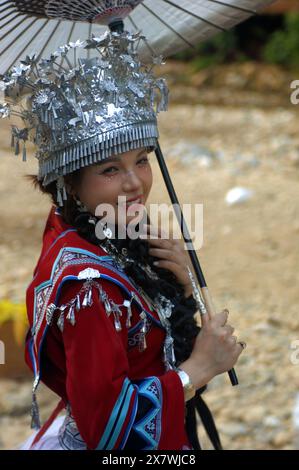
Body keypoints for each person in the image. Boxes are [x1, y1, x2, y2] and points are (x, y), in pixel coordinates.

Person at [1, 29, 245, 450]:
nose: (135, 184)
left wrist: (183, 284)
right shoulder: (89, 286)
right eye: (110, 170)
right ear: (71, 183)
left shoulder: (110, 235)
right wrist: (199, 369)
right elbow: (107, 426)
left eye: (142, 160)